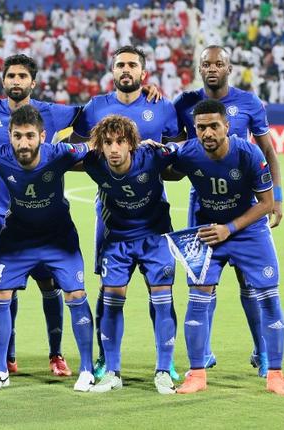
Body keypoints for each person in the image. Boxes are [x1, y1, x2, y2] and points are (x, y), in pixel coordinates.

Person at [0, 105, 95, 391]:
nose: (23, 143)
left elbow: (93, 146)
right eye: (18, 136)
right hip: (18, 238)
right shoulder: (1, 156)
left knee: (76, 294)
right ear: (9, 136)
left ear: (42, 137)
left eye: (30, 136)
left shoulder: (60, 153)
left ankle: (86, 370)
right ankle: (1, 370)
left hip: (58, 238)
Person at [171, 99, 284, 396]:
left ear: (227, 126)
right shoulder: (188, 153)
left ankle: (275, 374)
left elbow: (266, 203)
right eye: (201, 127)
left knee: (268, 297)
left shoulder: (248, 153)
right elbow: (163, 168)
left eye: (214, 126)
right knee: (197, 298)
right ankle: (197, 373)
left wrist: (230, 228)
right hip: (208, 230)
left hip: (248, 230)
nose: (207, 133)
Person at [72, 46, 180, 379]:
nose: (126, 69)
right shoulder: (95, 107)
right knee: (109, 286)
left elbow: (178, 155)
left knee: (158, 285)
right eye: (120, 64)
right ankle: (105, 357)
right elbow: (76, 151)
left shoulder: (162, 106)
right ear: (112, 71)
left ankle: (166, 361)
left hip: (152, 212)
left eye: (132, 65)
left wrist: (155, 160)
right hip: (110, 212)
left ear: (143, 73)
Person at [0, 54, 81, 377]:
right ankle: (7, 358)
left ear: (33, 82)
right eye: (11, 76)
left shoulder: (51, 112)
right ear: (3, 80)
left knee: (50, 284)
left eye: (22, 76)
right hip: (0, 216)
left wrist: (68, 150)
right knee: (4, 286)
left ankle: (56, 355)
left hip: (44, 217)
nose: (16, 81)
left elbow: (88, 115)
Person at [82, 115, 178, 394]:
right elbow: (57, 155)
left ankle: (164, 371)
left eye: (120, 142)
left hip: (155, 238)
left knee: (162, 300)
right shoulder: (93, 162)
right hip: (118, 240)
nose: (114, 149)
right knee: (112, 300)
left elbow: (186, 153)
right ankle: (112, 372)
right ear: (100, 145)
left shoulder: (152, 156)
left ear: (132, 144)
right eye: (108, 143)